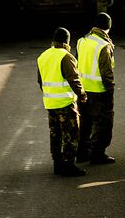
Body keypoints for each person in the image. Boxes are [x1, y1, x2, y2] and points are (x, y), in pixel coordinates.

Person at [37, 27, 87, 177]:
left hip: (50, 103)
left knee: (55, 134)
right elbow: (74, 79)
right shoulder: (66, 56)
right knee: (71, 134)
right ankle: (69, 165)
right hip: (65, 103)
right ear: (67, 41)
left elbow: (40, 81)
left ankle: (57, 164)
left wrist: (50, 95)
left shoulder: (43, 56)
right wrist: (82, 94)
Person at [76, 12, 116, 164]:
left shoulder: (82, 41)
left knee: (85, 122)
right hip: (99, 91)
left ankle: (82, 153)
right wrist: (110, 89)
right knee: (103, 124)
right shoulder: (103, 46)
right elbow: (106, 72)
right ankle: (97, 154)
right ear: (108, 27)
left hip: (83, 89)